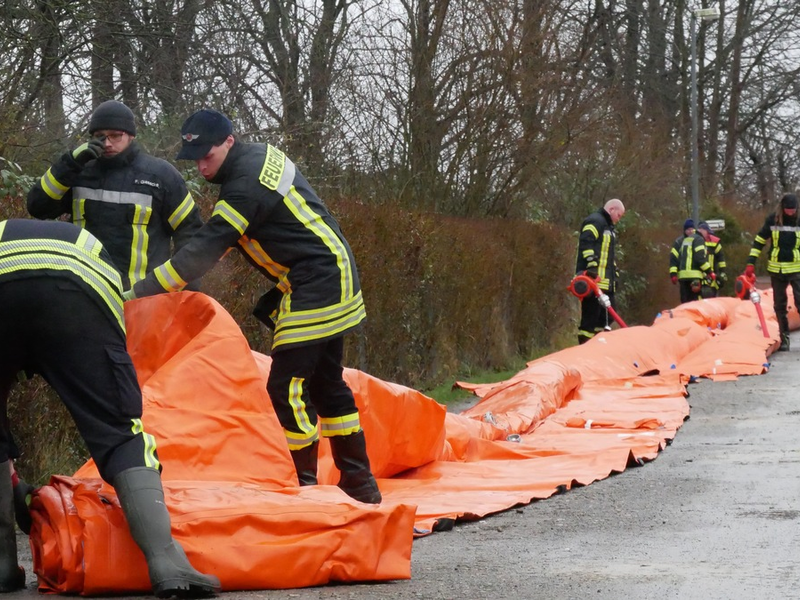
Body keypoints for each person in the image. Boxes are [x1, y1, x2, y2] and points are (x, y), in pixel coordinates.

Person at [124, 108, 381, 505]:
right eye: (194, 159)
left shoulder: (244, 185)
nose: (201, 166)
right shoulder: (256, 157)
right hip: (324, 270)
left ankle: (304, 487)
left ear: (229, 141)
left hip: (318, 279)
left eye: (207, 156)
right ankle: (360, 487)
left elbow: (207, 248)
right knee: (327, 384)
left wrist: (140, 292)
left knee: (285, 386)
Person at [0, 219, 219, 596]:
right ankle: (167, 561)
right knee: (119, 431)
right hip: (75, 283)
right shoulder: (101, 263)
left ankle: (2, 566)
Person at [27, 100, 204, 291]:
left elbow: (190, 233)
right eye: (100, 137)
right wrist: (69, 163)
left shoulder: (161, 176)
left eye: (115, 136)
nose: (107, 143)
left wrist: (187, 294)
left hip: (142, 300)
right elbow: (38, 206)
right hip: (85, 293)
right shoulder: (78, 172)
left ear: (131, 136)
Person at [746, 193, 800, 351]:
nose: (791, 212)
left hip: (796, 268)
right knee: (779, 305)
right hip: (776, 269)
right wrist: (751, 262)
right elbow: (759, 241)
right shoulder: (773, 220)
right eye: (788, 210)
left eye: (793, 210)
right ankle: (784, 339)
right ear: (782, 209)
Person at [574, 198, 626, 344]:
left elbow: (608, 257)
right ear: (611, 210)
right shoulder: (595, 221)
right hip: (593, 282)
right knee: (590, 319)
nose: (618, 219)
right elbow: (586, 242)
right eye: (619, 215)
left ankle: (597, 345)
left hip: (604, 283)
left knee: (607, 317)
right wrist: (591, 267)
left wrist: (614, 278)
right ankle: (585, 347)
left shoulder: (608, 227)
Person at [669, 219, 714, 304]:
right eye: (688, 229)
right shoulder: (682, 242)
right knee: (693, 302)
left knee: (685, 302)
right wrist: (709, 271)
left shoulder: (687, 240)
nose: (690, 231)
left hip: (684, 276)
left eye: (691, 229)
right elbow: (674, 259)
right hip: (694, 276)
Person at [696, 221, 727, 298]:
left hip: (711, 277)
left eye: (703, 230)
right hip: (698, 276)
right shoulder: (695, 241)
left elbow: (721, 258)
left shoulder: (714, 242)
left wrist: (722, 272)